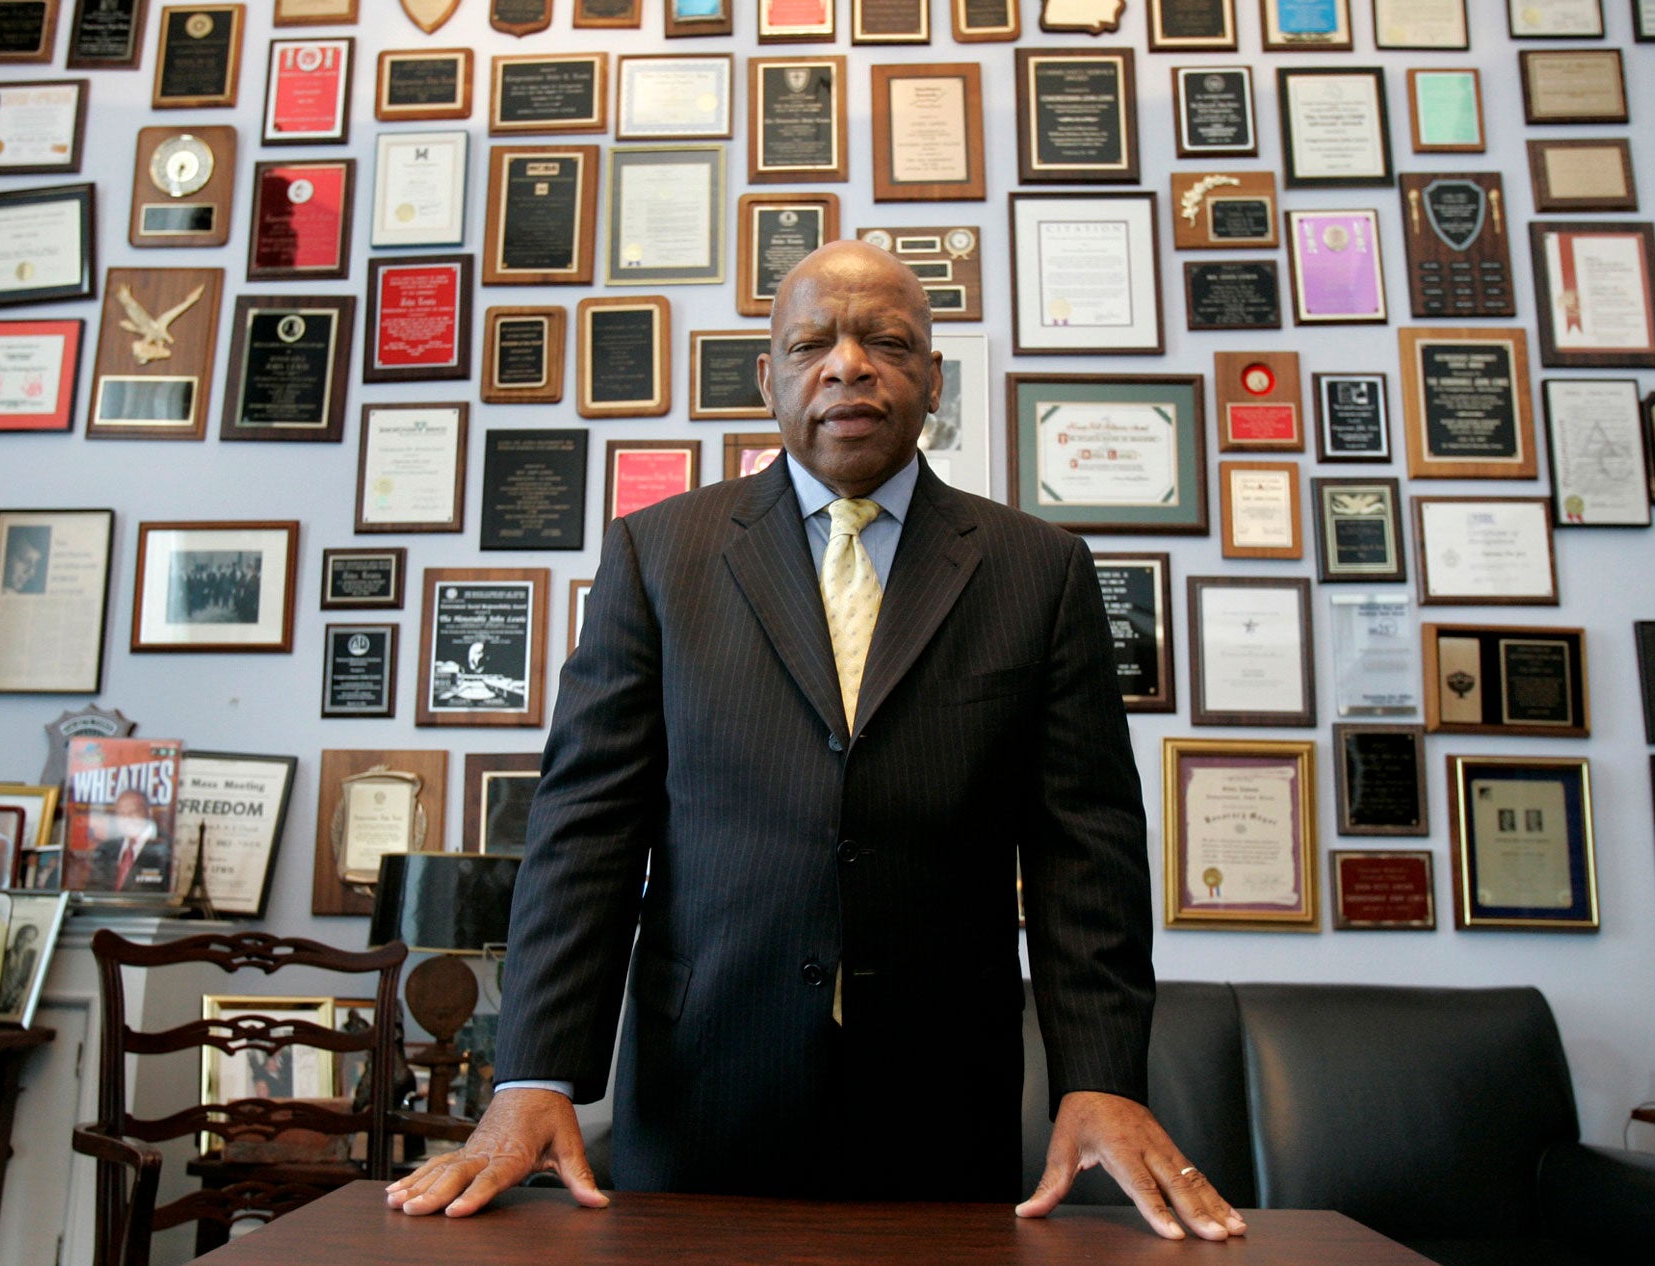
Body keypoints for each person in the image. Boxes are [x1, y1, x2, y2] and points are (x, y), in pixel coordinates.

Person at [386, 242, 1245, 1242]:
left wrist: (1100, 1078)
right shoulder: (658, 555)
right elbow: (586, 830)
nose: (848, 366)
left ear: (933, 379)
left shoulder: (1038, 571)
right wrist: (533, 1073)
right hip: (703, 1087)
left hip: (942, 1097)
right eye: (811, 345)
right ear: (769, 379)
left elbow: (1085, 848)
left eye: (888, 342)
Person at [86, 789, 170, 893]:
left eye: (133, 812)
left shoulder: (165, 848)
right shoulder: (106, 849)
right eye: (121, 814)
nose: (127, 818)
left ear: (149, 812)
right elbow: (93, 890)